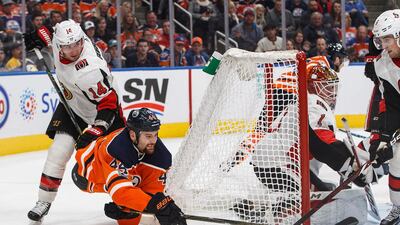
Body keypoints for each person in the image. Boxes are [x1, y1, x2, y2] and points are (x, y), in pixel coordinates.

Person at [23, 19, 125, 223]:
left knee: (116, 161)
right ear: (59, 45)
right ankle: (43, 202)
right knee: (58, 153)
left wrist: (96, 130)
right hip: (73, 105)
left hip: (103, 112)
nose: (74, 49)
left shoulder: (90, 71)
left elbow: (109, 101)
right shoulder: (64, 35)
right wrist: (37, 36)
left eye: (77, 43)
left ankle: (125, 199)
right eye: (68, 46)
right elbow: (49, 30)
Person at [72, 108, 187, 225]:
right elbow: (120, 192)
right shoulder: (116, 149)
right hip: (89, 172)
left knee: (130, 218)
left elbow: (151, 195)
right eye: (148, 136)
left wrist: (148, 207)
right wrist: (151, 206)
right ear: (133, 135)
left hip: (128, 169)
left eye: (155, 135)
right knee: (124, 193)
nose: (153, 141)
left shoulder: (162, 157)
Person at [367, 9, 400, 225]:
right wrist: (383, 137)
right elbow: (391, 104)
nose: (384, 45)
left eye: (387, 39)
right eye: (380, 40)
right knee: (397, 163)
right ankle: (398, 207)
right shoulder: (382, 65)